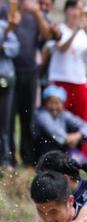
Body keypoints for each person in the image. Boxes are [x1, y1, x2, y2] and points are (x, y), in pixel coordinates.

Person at [6, 0, 51, 168]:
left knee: (28, 116)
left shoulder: (36, 12)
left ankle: (28, 158)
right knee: (8, 118)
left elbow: (47, 35)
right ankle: (8, 157)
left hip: (30, 71)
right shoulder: (8, 9)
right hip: (11, 70)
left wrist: (37, 13)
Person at [49, 0, 87, 121]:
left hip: (79, 81)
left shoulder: (84, 33)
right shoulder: (59, 28)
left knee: (82, 119)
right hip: (61, 80)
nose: (76, 13)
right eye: (73, 9)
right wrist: (76, 31)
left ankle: (82, 140)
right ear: (66, 11)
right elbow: (61, 48)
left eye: (79, 9)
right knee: (58, 119)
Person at [32, 85, 87, 162]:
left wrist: (78, 136)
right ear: (45, 103)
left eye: (57, 103)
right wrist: (67, 139)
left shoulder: (64, 114)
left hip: (62, 148)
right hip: (44, 152)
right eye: (51, 102)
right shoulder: (42, 115)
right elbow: (53, 131)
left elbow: (86, 126)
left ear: (63, 104)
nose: (54, 107)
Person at [0, 10, 20, 170]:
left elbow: (15, 48)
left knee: (5, 122)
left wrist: (2, 45)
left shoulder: (5, 26)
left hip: (4, 78)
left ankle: (6, 159)